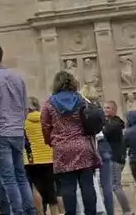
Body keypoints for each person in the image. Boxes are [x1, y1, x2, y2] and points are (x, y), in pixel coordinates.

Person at [0, 43, 36, 215]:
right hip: (17, 132)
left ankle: (17, 211)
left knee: (8, 179)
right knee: (21, 176)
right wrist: (18, 125)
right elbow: (25, 108)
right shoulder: (18, 77)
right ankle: (30, 211)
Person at [39, 72, 98, 215]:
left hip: (63, 148)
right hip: (83, 145)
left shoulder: (49, 103)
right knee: (87, 185)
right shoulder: (81, 100)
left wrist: (50, 141)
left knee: (67, 186)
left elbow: (45, 125)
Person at [24, 98, 58, 215]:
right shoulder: (46, 119)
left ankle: (39, 212)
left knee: (36, 188)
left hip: (32, 160)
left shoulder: (24, 122)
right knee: (50, 188)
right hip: (49, 158)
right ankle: (55, 212)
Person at [98, 101, 131, 215]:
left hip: (115, 158)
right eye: (104, 108)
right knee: (112, 185)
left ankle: (127, 211)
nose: (105, 110)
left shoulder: (115, 123)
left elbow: (103, 132)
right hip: (114, 157)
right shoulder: (111, 122)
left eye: (108, 108)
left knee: (115, 185)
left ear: (114, 110)